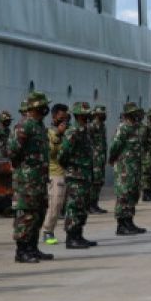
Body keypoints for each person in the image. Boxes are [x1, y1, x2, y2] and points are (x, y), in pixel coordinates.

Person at [8, 92, 52, 263]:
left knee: (38, 214)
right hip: (27, 180)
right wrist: (24, 168)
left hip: (40, 180)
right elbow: (12, 151)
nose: (45, 109)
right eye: (42, 106)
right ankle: (22, 251)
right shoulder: (23, 126)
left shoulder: (40, 126)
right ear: (35, 107)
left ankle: (33, 248)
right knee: (26, 215)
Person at [59, 102, 97, 249]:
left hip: (85, 175)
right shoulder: (72, 132)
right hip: (75, 176)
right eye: (86, 113)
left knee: (82, 206)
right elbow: (63, 155)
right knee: (74, 207)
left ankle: (79, 235)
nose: (89, 116)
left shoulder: (85, 131)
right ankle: (71, 238)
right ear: (80, 115)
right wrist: (71, 168)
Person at [108, 102, 148, 235]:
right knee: (123, 195)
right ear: (128, 114)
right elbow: (114, 147)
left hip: (135, 168)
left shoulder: (136, 128)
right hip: (124, 168)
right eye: (134, 113)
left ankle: (129, 222)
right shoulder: (123, 128)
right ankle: (121, 225)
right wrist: (112, 160)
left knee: (133, 194)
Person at [41, 103, 70, 246]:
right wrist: (58, 134)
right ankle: (47, 231)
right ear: (54, 116)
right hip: (55, 172)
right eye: (61, 117)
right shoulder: (49, 132)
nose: (64, 120)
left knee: (66, 206)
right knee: (55, 203)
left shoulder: (68, 131)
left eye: (66, 117)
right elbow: (50, 153)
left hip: (68, 172)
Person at [88, 104, 109, 214]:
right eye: (101, 113)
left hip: (100, 158)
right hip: (94, 159)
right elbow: (88, 142)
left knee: (99, 182)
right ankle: (90, 205)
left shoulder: (102, 126)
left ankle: (95, 204)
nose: (104, 115)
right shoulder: (91, 126)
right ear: (96, 114)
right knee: (94, 182)